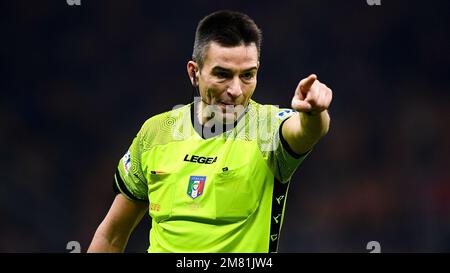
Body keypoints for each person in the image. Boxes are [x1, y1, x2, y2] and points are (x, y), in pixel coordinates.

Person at [87, 10, 332, 253]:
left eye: (247, 75)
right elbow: (111, 236)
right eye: (222, 75)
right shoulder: (156, 132)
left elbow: (305, 132)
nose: (236, 89)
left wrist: (313, 112)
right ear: (194, 72)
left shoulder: (268, 128)